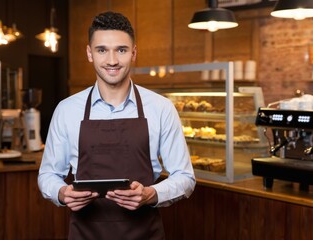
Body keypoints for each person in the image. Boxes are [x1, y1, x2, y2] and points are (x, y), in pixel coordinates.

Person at [38, 11, 195, 239]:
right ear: (89, 53)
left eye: (121, 50)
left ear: (133, 53)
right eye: (102, 50)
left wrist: (151, 194)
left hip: (144, 232)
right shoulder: (67, 109)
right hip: (85, 233)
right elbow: (48, 174)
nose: (112, 60)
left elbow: (185, 177)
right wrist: (62, 193)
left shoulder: (161, 108)